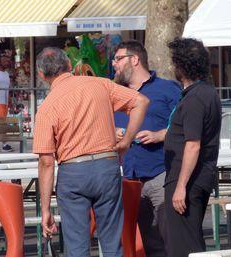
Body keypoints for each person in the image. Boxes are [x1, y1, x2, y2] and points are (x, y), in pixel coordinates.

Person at [33, 47, 149, 257]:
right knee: (112, 243)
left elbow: (46, 162)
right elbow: (141, 101)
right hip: (106, 166)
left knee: (77, 247)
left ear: (42, 75)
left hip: (73, 171)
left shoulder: (46, 108)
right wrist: (126, 142)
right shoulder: (99, 84)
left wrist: (45, 210)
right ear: (69, 65)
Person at [112, 41, 181, 257]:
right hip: (129, 176)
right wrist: (112, 130)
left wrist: (160, 135)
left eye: (118, 59)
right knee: (149, 241)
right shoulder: (114, 92)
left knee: (170, 237)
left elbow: (185, 126)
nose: (114, 64)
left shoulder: (168, 89)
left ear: (134, 59)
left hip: (160, 172)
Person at [164, 38, 222, 257]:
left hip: (188, 178)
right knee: (190, 238)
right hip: (198, 176)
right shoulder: (207, 93)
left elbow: (193, 144)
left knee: (184, 244)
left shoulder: (195, 98)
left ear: (181, 66)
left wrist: (181, 186)